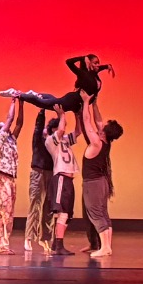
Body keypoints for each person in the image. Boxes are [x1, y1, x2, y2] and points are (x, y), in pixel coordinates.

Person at [79, 89, 124, 259]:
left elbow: (87, 121)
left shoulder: (97, 142)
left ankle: (104, 247)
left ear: (104, 132)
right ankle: (107, 246)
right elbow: (97, 120)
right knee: (103, 213)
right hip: (101, 182)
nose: (101, 126)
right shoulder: (106, 141)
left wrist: (85, 102)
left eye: (103, 127)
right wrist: (95, 104)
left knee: (96, 213)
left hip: (94, 184)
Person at [0, 95, 25, 253]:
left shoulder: (11, 140)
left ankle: (3, 245)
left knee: (9, 213)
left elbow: (19, 123)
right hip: (2, 179)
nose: (8, 128)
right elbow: (10, 119)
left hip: (10, 180)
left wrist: (22, 103)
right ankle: (0, 246)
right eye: (4, 127)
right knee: (2, 212)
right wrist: (13, 101)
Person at [43, 104, 81, 254]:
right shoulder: (50, 141)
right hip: (60, 178)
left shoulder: (64, 140)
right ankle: (58, 245)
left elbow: (78, 132)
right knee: (62, 212)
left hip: (68, 180)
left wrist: (77, 115)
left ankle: (56, 243)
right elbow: (61, 130)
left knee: (67, 214)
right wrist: (62, 114)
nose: (63, 127)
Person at [24, 106, 56, 254]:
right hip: (38, 173)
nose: (44, 131)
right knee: (35, 205)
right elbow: (38, 127)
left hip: (51, 173)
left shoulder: (52, 142)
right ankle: (29, 237)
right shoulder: (37, 140)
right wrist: (42, 110)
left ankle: (46, 238)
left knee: (49, 207)